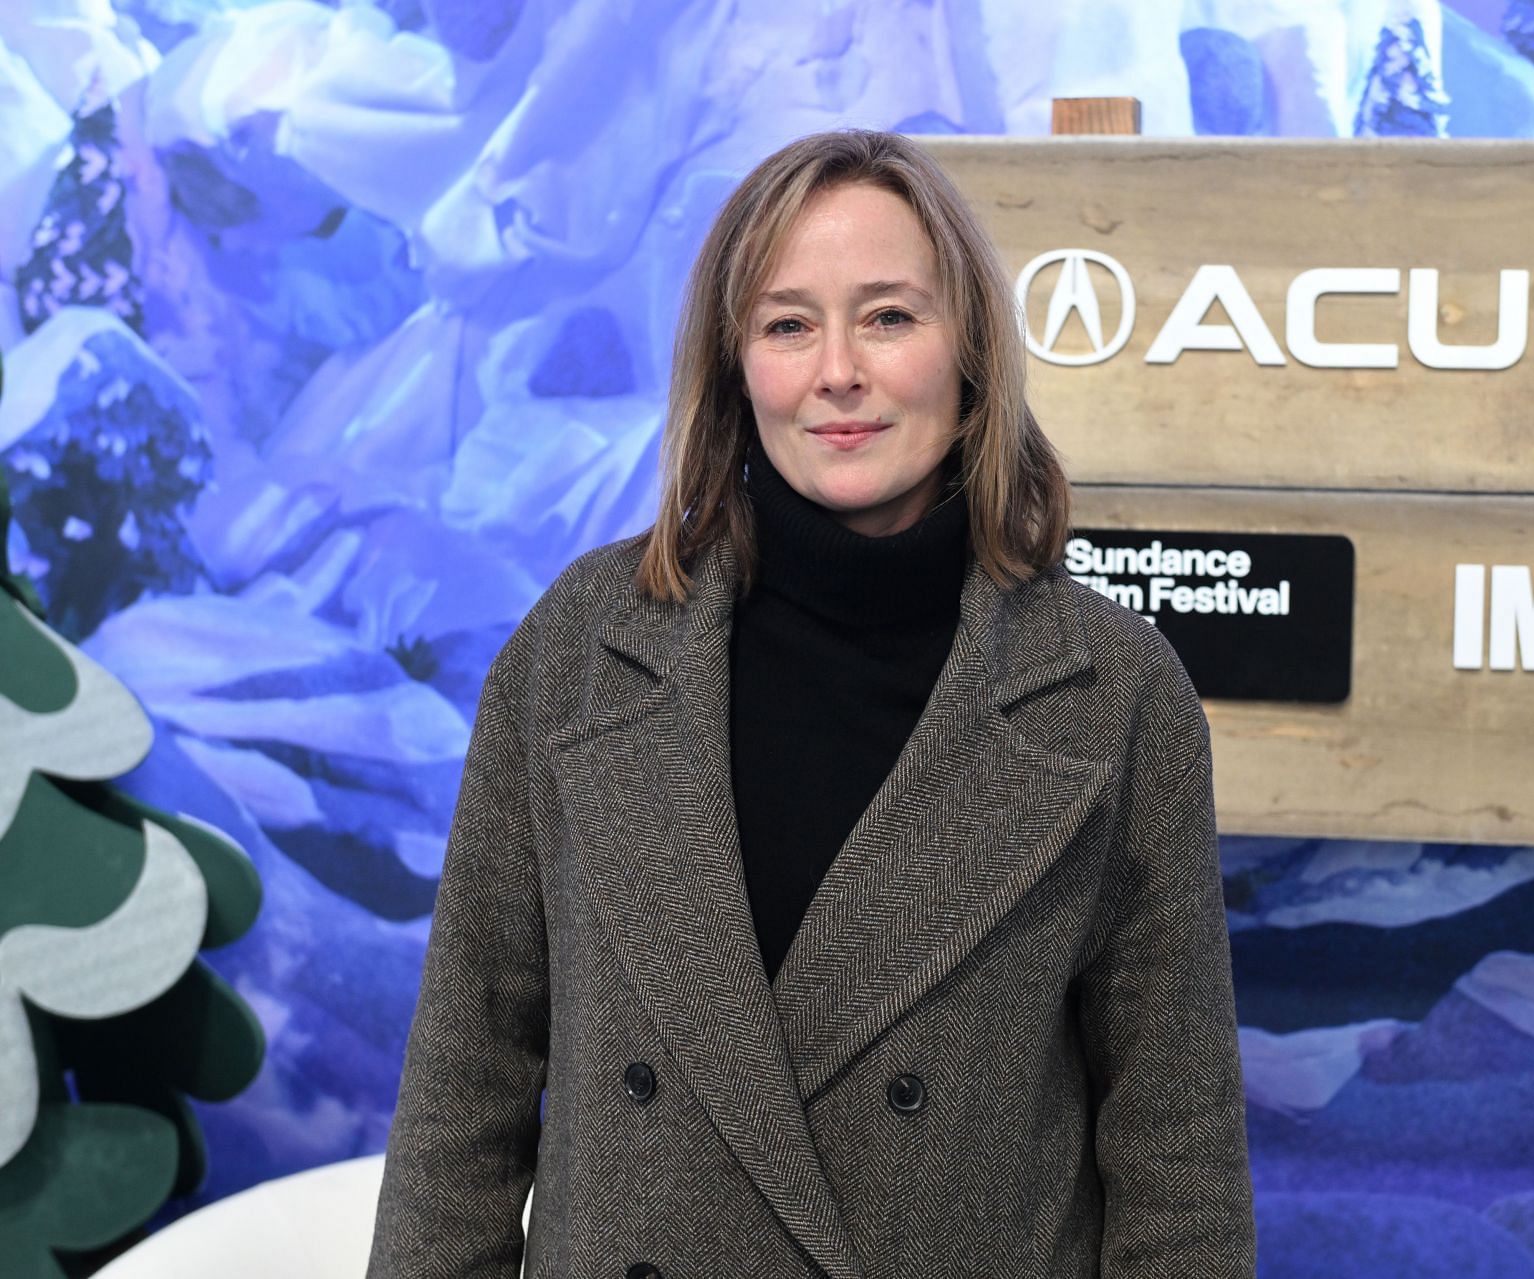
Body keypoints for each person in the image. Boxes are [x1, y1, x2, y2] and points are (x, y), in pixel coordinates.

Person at [367, 129, 1254, 1279]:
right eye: (789, 324)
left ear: (970, 348)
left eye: (889, 316)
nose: (839, 370)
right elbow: (463, 1094)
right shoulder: (581, 650)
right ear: (735, 364)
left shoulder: (1110, 695)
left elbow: (1176, 1161)